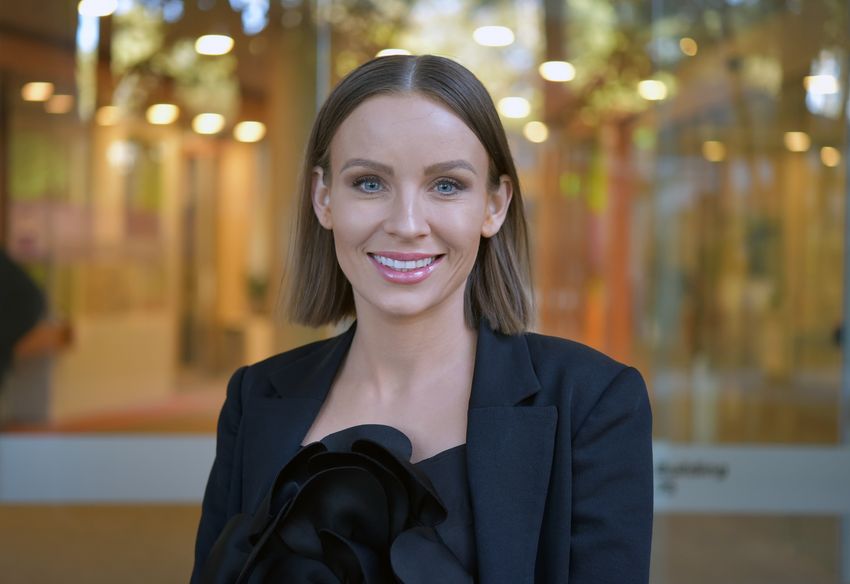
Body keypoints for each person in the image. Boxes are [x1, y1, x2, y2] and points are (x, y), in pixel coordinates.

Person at [191, 54, 652, 584]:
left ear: (494, 205)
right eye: (369, 183)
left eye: (447, 185)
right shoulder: (256, 397)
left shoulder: (592, 403)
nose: (407, 224)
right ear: (323, 198)